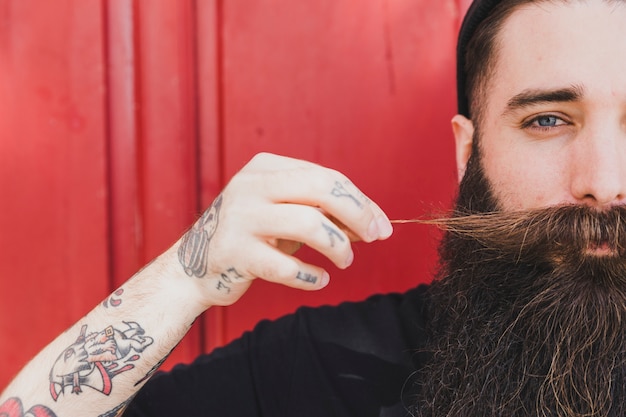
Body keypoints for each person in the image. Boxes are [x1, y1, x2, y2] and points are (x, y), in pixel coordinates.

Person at [3, 0, 626, 415]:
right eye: (547, 119)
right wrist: (184, 278)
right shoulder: (326, 370)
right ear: (470, 151)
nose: (602, 181)